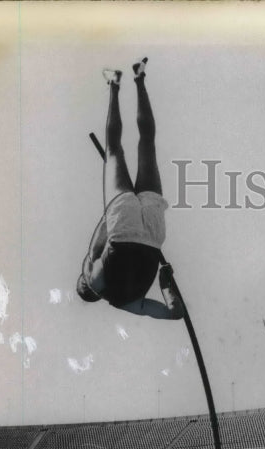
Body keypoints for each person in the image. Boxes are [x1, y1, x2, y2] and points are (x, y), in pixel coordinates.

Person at [78, 58, 182, 320]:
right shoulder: (93, 280)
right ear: (87, 287)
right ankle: (118, 82)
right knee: (118, 148)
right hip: (122, 229)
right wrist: (110, 212)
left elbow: (175, 313)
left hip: (153, 235)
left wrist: (166, 283)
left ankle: (139, 77)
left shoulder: (128, 304)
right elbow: (94, 251)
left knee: (148, 145)